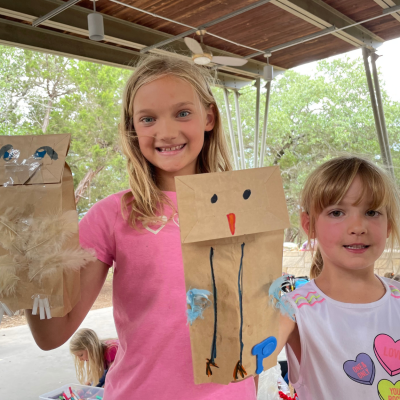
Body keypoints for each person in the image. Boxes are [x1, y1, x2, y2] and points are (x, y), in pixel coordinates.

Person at [26, 55, 257, 399]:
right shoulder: (114, 214)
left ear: (209, 117)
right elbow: (51, 334)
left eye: (182, 113)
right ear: (132, 127)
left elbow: (258, 323)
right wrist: (23, 256)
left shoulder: (245, 205)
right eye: (148, 118)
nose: (166, 132)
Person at [275, 156, 400, 399]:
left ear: (388, 225)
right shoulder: (293, 309)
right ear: (309, 225)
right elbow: (246, 365)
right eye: (337, 212)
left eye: (372, 212)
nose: (357, 227)